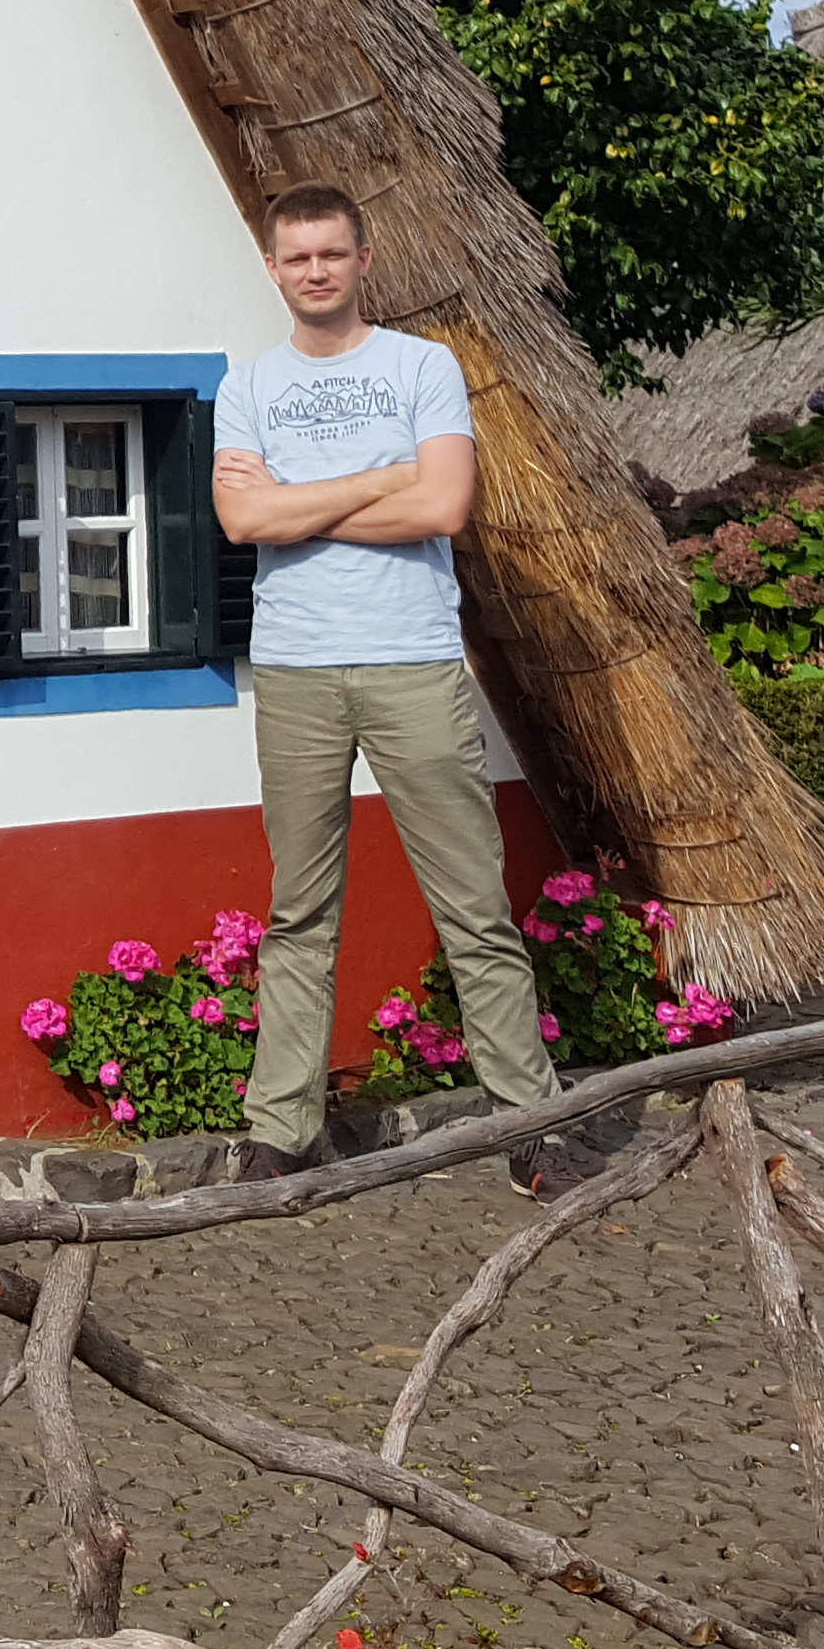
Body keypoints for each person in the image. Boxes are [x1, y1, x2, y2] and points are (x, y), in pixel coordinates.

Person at [209, 182, 557, 1173]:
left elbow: (442, 505)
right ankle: (281, 1132)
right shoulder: (250, 386)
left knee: (472, 905)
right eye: (296, 257)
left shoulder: (421, 367)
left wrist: (295, 501)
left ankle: (527, 1127)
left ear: (362, 260)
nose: (314, 270)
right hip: (294, 672)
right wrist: (373, 480)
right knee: (298, 911)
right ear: (273, 270)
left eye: (330, 253)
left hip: (411, 663)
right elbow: (241, 524)